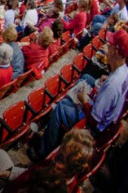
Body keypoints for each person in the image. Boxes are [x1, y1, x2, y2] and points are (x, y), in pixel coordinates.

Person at [36, 29, 128, 157]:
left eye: (110, 45)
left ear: (115, 52)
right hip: (106, 116)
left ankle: (43, 151)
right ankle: (53, 129)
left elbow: (94, 120)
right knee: (87, 78)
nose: (107, 46)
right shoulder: (123, 70)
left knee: (61, 108)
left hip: (94, 129)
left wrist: (83, 99)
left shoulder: (113, 85)